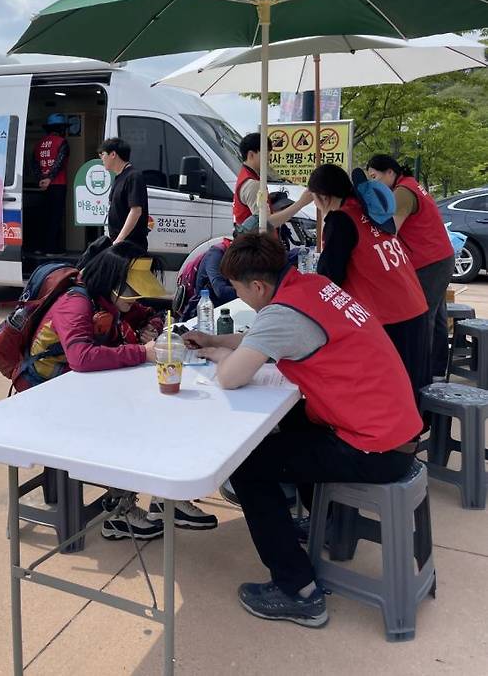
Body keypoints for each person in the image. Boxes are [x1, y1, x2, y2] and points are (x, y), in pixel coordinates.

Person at [184, 232, 422, 629]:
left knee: (246, 467)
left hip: (374, 449)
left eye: (240, 290)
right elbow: (262, 338)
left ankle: (298, 591)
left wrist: (221, 354)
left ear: (257, 285)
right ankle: (325, 526)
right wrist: (215, 339)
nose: (241, 298)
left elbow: (230, 378)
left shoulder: (282, 314)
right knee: (291, 425)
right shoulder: (314, 286)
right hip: (394, 431)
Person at [29, 241, 217, 538]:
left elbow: (149, 314)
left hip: (84, 390)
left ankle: (163, 498)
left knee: (163, 410)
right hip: (47, 397)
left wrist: (151, 328)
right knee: (137, 423)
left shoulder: (110, 300)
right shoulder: (75, 303)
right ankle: (120, 508)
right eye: (132, 291)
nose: (137, 298)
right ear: (114, 283)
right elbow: (81, 357)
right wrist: (143, 352)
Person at [307, 164, 430, 398]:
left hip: (391, 316)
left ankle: (404, 434)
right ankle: (414, 432)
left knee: (393, 392)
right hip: (414, 306)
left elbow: (328, 276)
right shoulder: (371, 210)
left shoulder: (340, 220)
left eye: (313, 198)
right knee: (412, 389)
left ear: (323, 197)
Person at [366, 155, 455, 383]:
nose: (373, 182)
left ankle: (421, 377)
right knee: (436, 316)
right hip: (440, 257)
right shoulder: (410, 184)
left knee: (423, 316)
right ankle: (436, 371)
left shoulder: (403, 192)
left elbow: (391, 227)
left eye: (374, 176)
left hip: (429, 262)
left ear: (389, 173)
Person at [234, 132, 312, 231]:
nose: (269, 158)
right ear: (251, 155)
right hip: (256, 243)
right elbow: (266, 223)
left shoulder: (245, 177)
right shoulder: (253, 184)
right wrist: (302, 202)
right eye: (266, 153)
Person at [98, 137, 149, 252]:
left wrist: (120, 239)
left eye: (103, 154)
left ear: (113, 154)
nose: (101, 158)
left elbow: (136, 211)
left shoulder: (133, 176)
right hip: (117, 242)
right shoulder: (118, 177)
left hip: (130, 244)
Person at [33, 114, 70, 252]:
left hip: (42, 186)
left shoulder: (39, 144)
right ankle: (52, 249)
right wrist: (50, 177)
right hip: (58, 185)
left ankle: (40, 248)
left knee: (43, 216)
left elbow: (34, 164)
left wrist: (41, 179)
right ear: (60, 129)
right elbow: (59, 162)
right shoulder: (62, 142)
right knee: (55, 217)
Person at [182, 237, 235, 319]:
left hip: (224, 309)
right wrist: (248, 291)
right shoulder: (216, 254)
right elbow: (220, 290)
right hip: (204, 311)